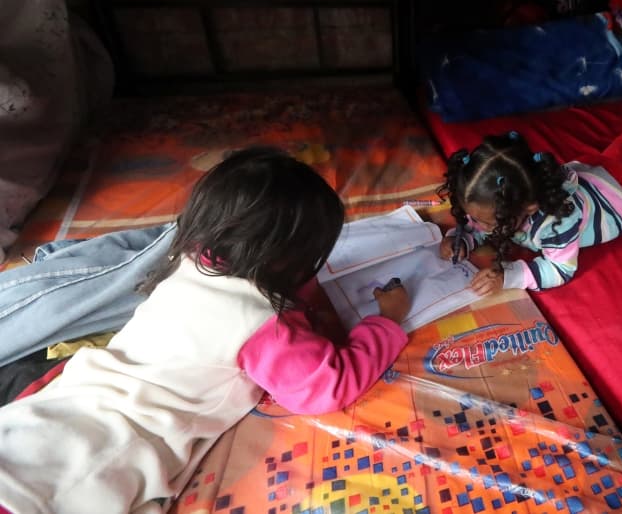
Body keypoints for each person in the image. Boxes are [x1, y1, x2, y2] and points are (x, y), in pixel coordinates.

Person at [0, 147, 411, 514]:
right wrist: (385, 322)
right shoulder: (261, 322)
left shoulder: (195, 260)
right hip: (120, 439)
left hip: (62, 403)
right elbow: (325, 387)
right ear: (291, 257)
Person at [437, 130, 622, 296]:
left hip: (620, 192)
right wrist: (462, 238)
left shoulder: (557, 222)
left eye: (485, 221)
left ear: (529, 209)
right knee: (603, 160)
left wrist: (507, 277)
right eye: (471, 216)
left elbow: (561, 269)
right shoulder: (507, 196)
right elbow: (480, 224)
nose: (476, 224)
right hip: (588, 168)